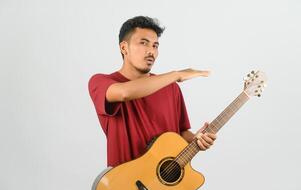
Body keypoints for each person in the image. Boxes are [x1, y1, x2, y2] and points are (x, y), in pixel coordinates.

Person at [88, 16, 217, 168]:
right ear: (124, 48)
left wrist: (196, 139)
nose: (151, 51)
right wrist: (177, 75)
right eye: (143, 43)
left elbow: (181, 133)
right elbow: (124, 93)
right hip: (124, 185)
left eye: (155, 46)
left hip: (165, 185)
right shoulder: (100, 82)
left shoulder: (171, 87)